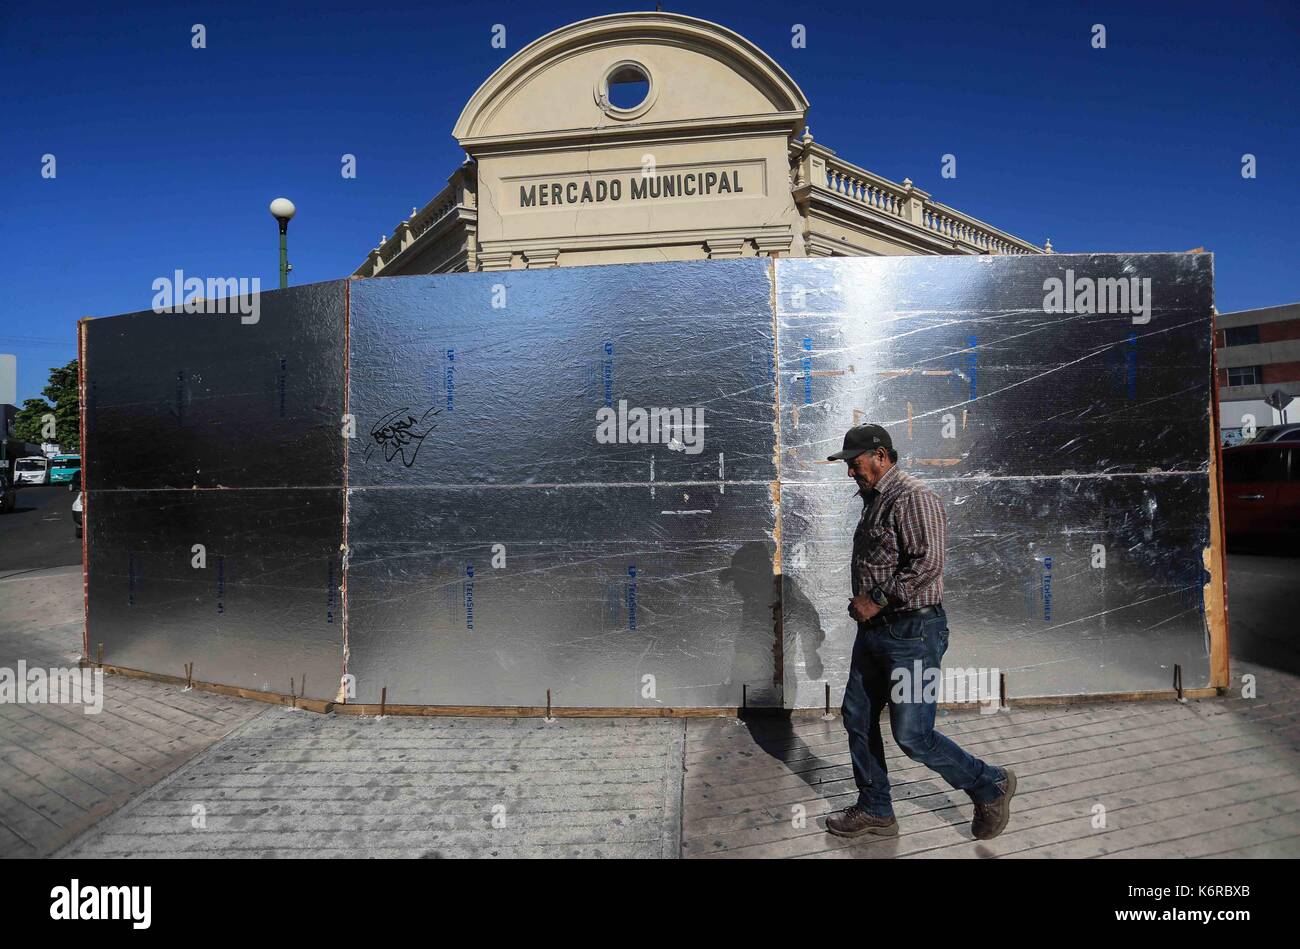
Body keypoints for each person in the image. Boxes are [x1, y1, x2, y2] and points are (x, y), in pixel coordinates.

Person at [823, 424, 1016, 840]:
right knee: (856, 715)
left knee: (912, 734)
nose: (850, 473)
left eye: (855, 464)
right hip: (875, 632)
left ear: (880, 455)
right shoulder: (876, 500)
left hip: (913, 632)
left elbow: (927, 562)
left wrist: (874, 597)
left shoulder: (912, 496)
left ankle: (989, 783)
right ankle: (875, 806)